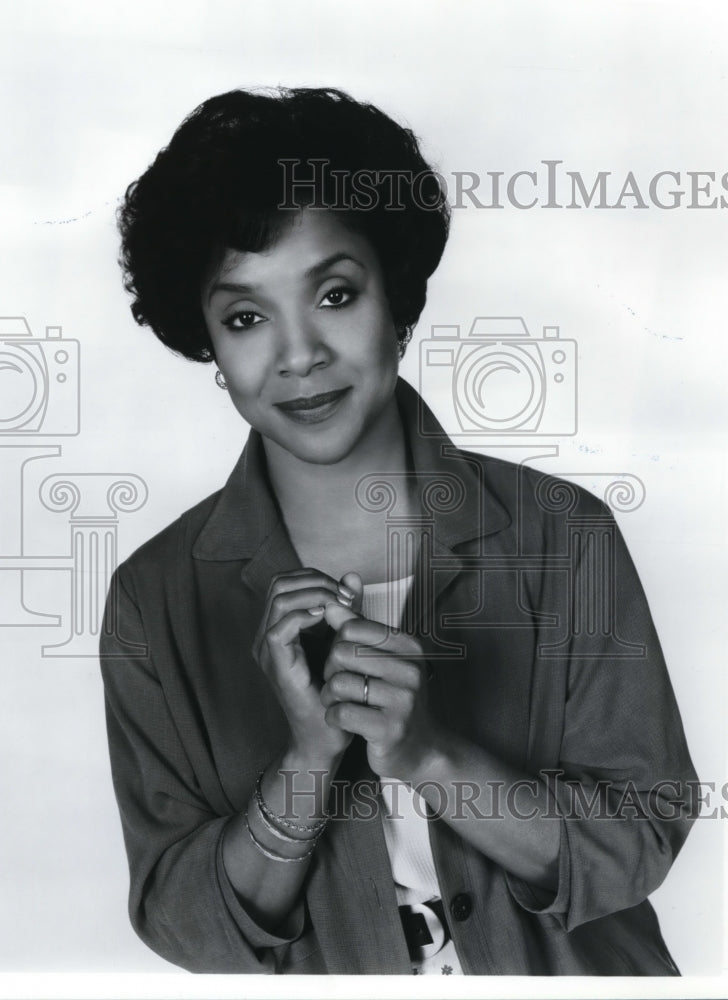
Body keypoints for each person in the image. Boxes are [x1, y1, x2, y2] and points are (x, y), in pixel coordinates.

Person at [100, 87, 697, 975]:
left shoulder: (563, 535)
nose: (298, 354)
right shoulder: (156, 599)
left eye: (334, 293)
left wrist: (428, 753)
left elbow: (640, 838)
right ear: (210, 349)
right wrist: (307, 763)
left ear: (399, 301)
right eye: (246, 317)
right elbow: (182, 924)